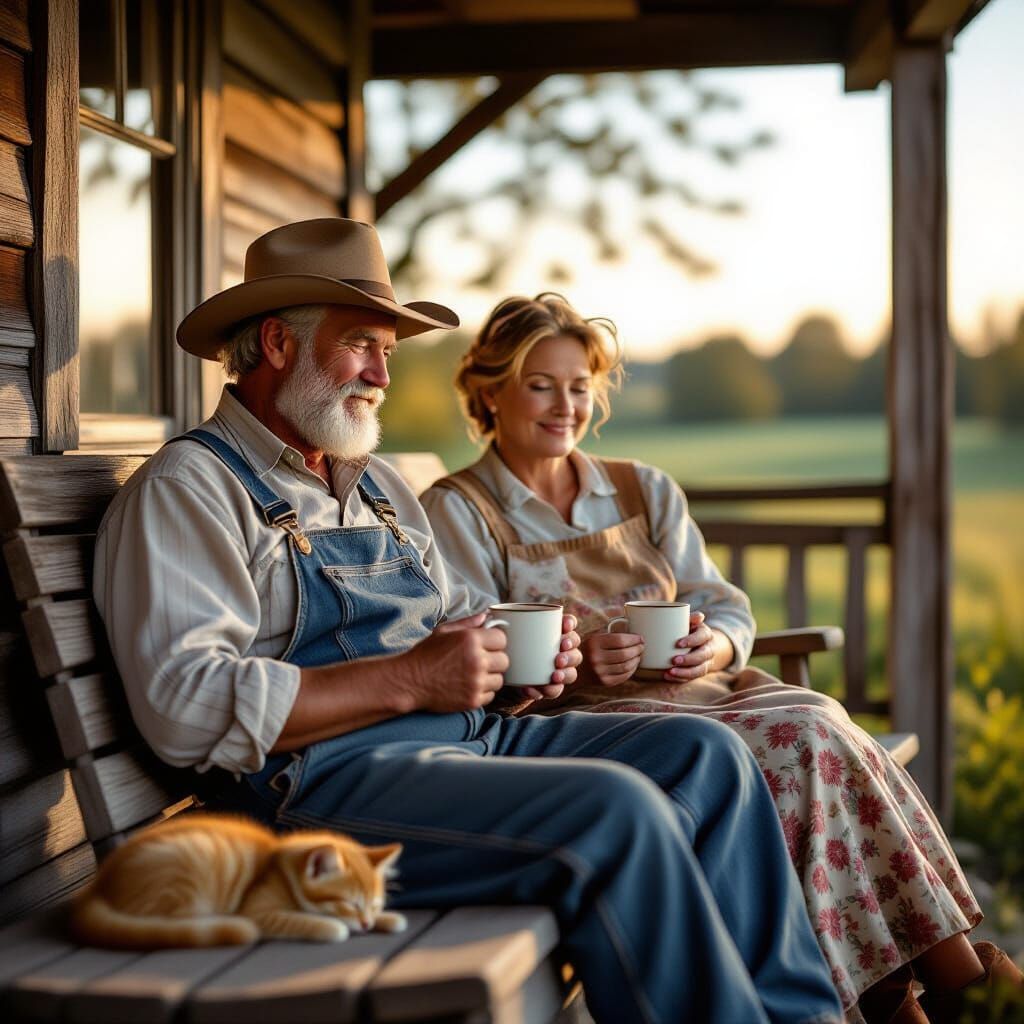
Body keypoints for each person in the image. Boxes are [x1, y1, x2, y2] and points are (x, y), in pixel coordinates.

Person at [93, 219, 844, 1024]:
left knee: (708, 756)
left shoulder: (375, 485)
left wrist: (525, 671)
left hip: (466, 743)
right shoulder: (191, 487)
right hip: (320, 795)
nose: (382, 374)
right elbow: (183, 704)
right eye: (362, 346)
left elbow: (457, 623)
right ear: (277, 343)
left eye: (389, 350)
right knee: (616, 815)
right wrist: (414, 677)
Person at [420, 292, 1024, 1024]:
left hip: (710, 693)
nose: (564, 405)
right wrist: (579, 669)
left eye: (579, 386)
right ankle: (962, 988)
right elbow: (474, 659)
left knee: (820, 720)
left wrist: (721, 641)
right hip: (598, 735)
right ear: (490, 391)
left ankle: (934, 991)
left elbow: (726, 601)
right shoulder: (459, 511)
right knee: (804, 742)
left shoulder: (643, 488)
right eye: (539, 385)